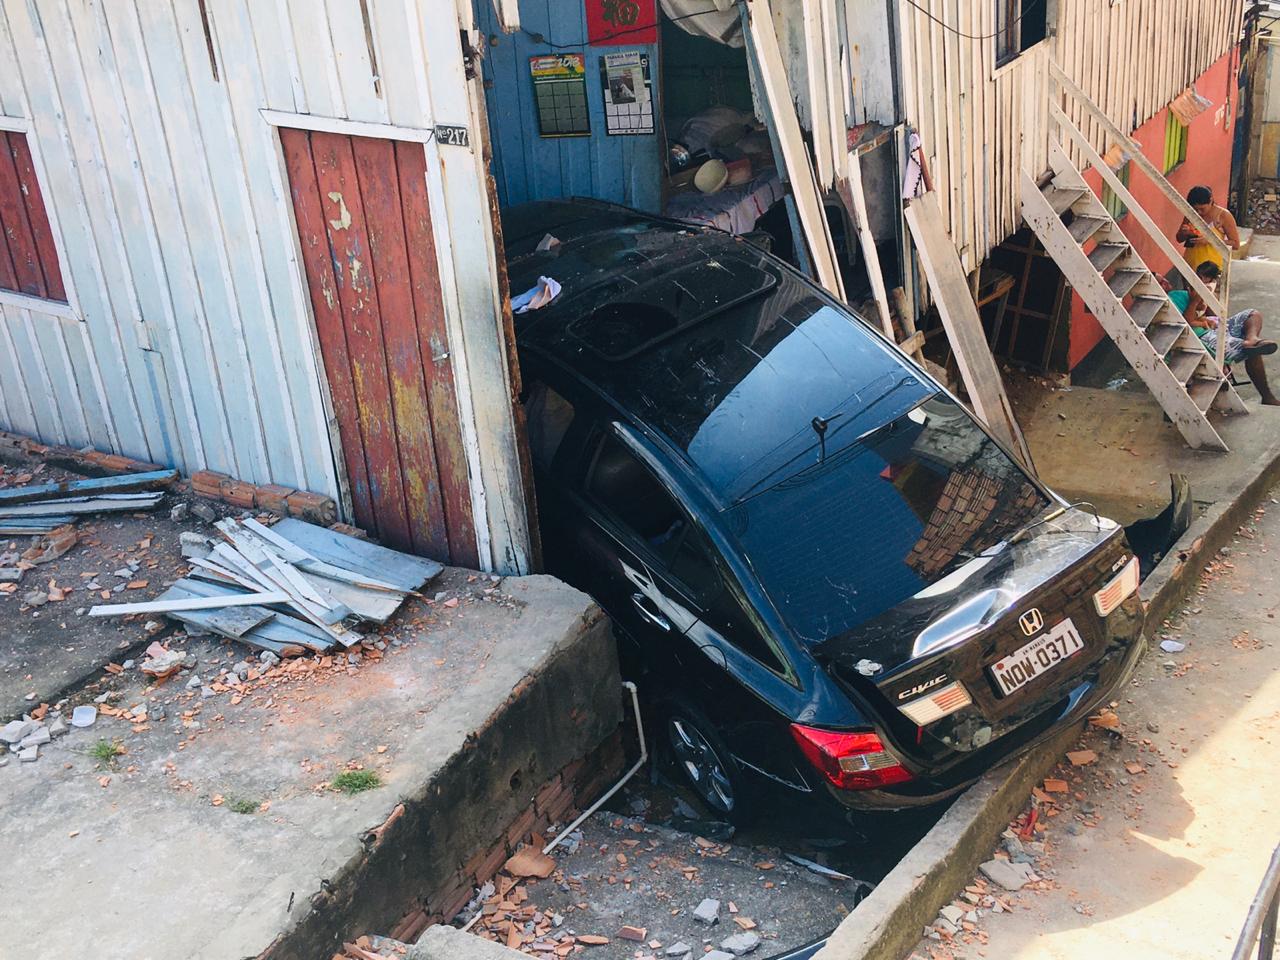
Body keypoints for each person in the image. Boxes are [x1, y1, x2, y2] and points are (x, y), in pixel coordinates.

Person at [1168, 260, 1280, 405]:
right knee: (1252, 351)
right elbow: (1186, 322)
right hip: (1202, 336)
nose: (1165, 281)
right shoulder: (1174, 297)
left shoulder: (1191, 292)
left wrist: (1207, 299)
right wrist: (1194, 302)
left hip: (1213, 326)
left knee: (1252, 314)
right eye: (1161, 281)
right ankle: (1267, 397)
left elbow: (1215, 315)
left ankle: (1251, 338)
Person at [1176, 185, 1240, 272]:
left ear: (1211, 201)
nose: (1199, 212)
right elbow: (1179, 239)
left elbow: (1235, 244)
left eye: (1202, 209)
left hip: (1212, 268)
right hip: (1190, 264)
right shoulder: (1190, 214)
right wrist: (1184, 233)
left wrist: (1210, 240)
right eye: (1195, 209)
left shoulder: (1223, 215)